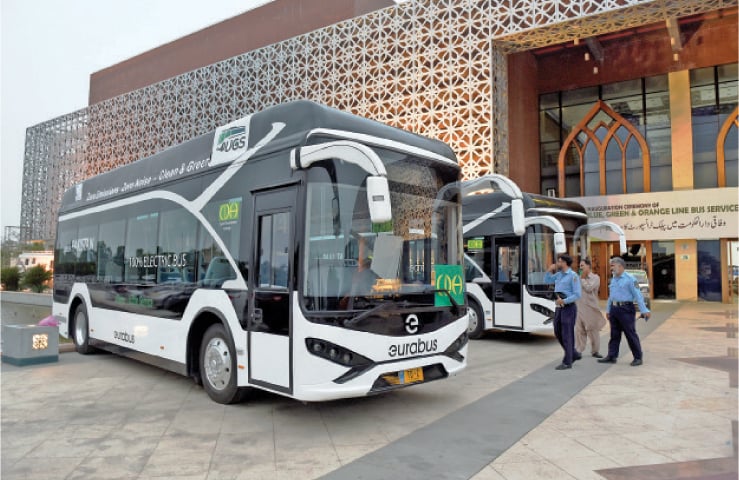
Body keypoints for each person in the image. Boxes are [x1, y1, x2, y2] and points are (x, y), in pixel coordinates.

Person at [599, 256, 651, 366]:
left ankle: (638, 357)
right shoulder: (614, 279)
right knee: (614, 334)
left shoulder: (630, 279)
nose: (611, 268)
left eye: (613, 266)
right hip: (614, 309)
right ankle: (612, 356)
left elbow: (638, 295)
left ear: (620, 266)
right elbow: (611, 296)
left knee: (630, 334)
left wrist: (644, 310)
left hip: (626, 309)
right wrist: (608, 310)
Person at [544, 253, 582, 370]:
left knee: (567, 335)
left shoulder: (573, 276)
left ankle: (567, 361)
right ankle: (573, 354)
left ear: (565, 263)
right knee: (558, 332)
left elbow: (577, 294)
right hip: (559, 308)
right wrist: (549, 270)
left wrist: (564, 301)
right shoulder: (559, 275)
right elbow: (547, 280)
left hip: (568, 308)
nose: (557, 263)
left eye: (559, 261)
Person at [575, 258, 606, 358]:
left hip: (591, 307)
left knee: (592, 330)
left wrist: (582, 279)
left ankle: (595, 351)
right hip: (579, 306)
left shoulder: (595, 277)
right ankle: (579, 350)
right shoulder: (577, 278)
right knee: (579, 329)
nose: (580, 268)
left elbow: (589, 288)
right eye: (580, 266)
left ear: (588, 266)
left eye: (582, 265)